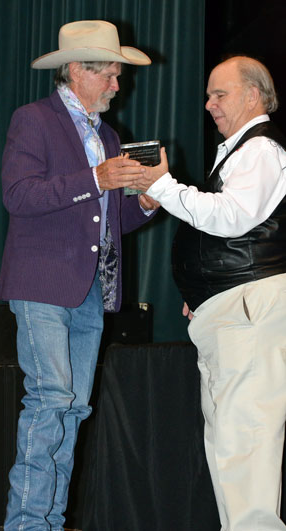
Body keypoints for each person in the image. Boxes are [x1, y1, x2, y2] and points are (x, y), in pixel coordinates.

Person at [0, 19, 159, 531]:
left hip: (91, 291)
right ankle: (27, 524)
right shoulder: (33, 119)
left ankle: (49, 521)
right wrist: (96, 177)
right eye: (109, 74)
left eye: (117, 75)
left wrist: (147, 203)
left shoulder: (109, 135)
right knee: (50, 401)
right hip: (42, 285)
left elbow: (112, 220)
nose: (118, 84)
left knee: (71, 410)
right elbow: (18, 196)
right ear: (74, 71)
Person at [133, 55, 286, 530]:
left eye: (219, 94)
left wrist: (164, 185)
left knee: (245, 445)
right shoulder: (241, 152)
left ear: (253, 96)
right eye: (209, 95)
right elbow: (233, 229)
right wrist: (203, 287)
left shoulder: (261, 150)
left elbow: (232, 216)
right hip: (231, 308)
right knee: (230, 447)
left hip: (249, 310)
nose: (208, 104)